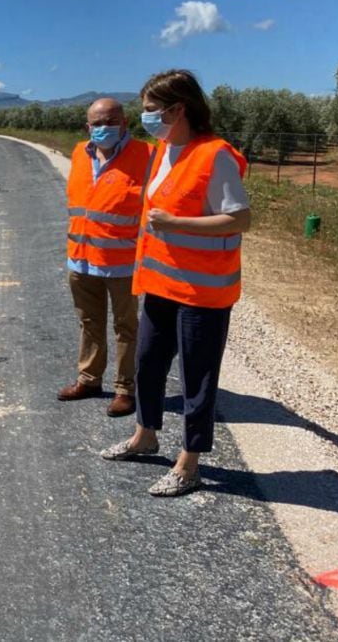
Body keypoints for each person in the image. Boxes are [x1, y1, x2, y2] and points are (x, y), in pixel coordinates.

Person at [100, 69, 251, 497]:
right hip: (162, 285)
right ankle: (144, 436)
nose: (145, 118)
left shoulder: (214, 154)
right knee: (147, 362)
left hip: (203, 291)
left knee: (197, 376)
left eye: (150, 110)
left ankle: (190, 461)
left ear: (177, 109)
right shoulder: (161, 151)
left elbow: (240, 218)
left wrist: (175, 222)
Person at [58, 98, 151, 417]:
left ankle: (126, 389)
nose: (103, 129)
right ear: (88, 127)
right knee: (89, 323)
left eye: (110, 122)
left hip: (123, 263)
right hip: (81, 259)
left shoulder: (146, 155)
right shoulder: (79, 153)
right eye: (96, 124)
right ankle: (89, 379)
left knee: (126, 326)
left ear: (125, 123)